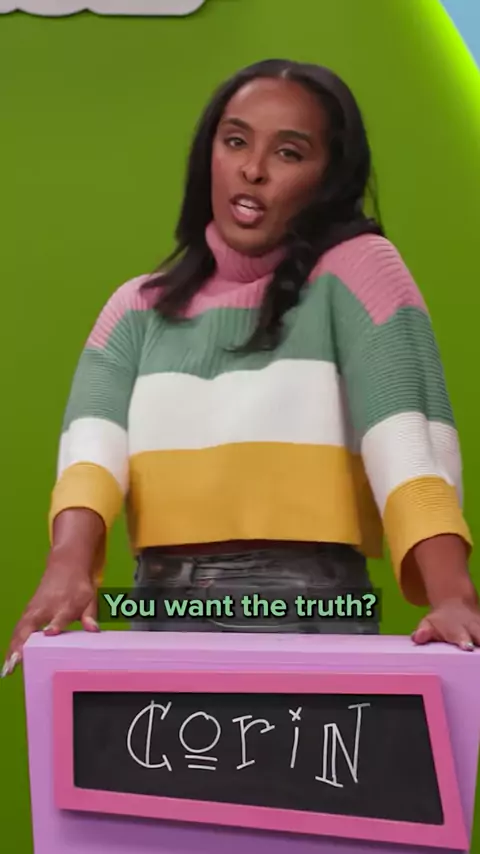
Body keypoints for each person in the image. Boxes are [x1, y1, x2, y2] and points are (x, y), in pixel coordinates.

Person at [3, 58, 480, 676]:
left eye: (288, 153)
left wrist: (453, 596)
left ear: (329, 177)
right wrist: (66, 568)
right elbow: (90, 456)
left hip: (310, 605)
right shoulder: (136, 308)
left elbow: (407, 439)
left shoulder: (358, 270)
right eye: (235, 142)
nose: (253, 169)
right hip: (156, 607)